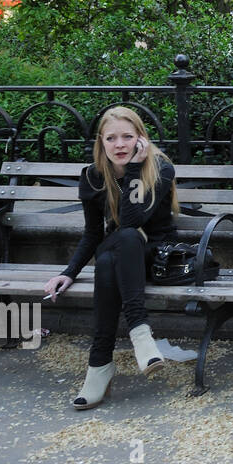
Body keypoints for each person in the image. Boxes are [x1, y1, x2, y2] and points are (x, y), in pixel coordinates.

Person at [43, 107, 179, 410]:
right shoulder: (92, 177)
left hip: (154, 254)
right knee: (115, 247)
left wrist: (134, 169)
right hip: (120, 249)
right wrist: (70, 272)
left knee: (112, 255)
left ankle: (100, 364)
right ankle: (140, 335)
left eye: (127, 137)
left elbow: (132, 221)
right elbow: (93, 234)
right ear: (101, 143)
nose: (120, 145)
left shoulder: (160, 169)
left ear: (140, 139)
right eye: (112, 138)